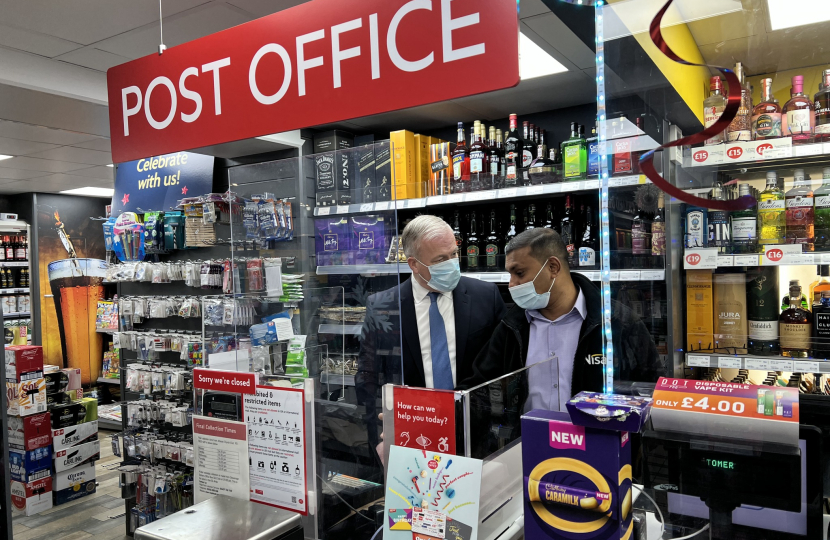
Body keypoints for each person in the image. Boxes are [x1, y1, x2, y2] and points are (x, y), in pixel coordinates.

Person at [356, 215, 507, 464]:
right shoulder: (383, 305)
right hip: (410, 435)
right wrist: (379, 441)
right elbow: (368, 377)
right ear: (414, 264)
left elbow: (503, 368)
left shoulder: (486, 296)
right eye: (440, 259)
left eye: (453, 254)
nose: (451, 264)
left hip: (473, 434)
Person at [463, 227, 663, 410]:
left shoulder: (619, 323)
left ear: (552, 267)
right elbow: (480, 390)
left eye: (520, 273)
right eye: (510, 274)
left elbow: (650, 392)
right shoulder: (511, 327)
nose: (512, 284)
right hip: (527, 446)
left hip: (598, 446)